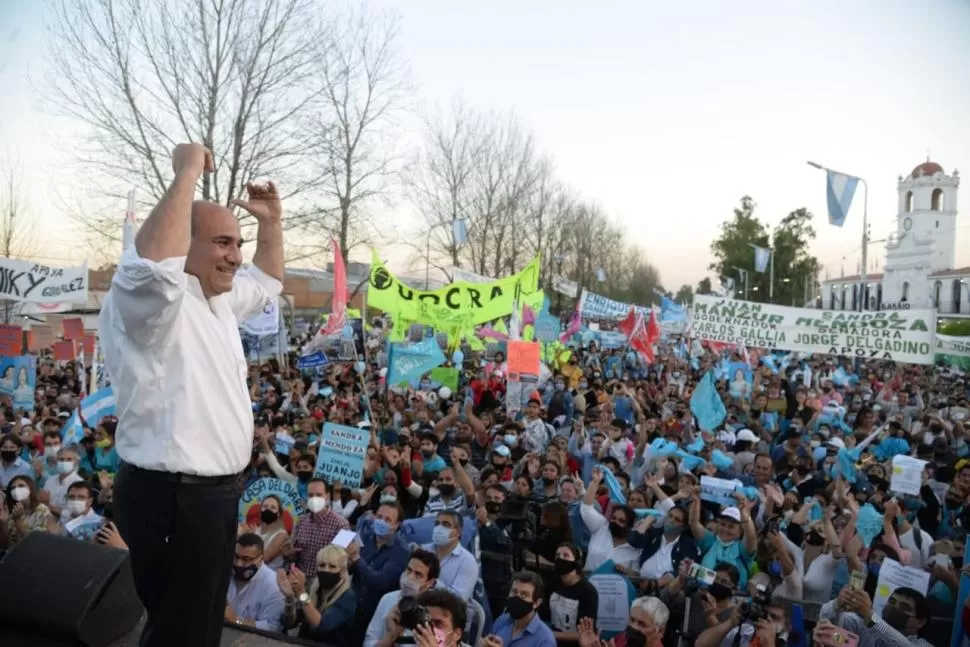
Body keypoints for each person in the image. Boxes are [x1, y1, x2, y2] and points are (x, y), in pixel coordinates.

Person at [100, 143, 284, 647]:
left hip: (212, 496)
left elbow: (267, 280)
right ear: (186, 243)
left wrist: (270, 225)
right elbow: (150, 266)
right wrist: (187, 171)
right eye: (223, 242)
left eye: (238, 243)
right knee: (179, 632)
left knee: (198, 626)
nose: (235, 255)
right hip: (173, 496)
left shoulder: (216, 298)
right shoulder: (154, 304)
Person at [278, 544, 357, 646]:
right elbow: (288, 623)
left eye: (332, 566)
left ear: (342, 571)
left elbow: (321, 625)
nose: (326, 570)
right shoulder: (313, 589)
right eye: (322, 565)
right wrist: (289, 599)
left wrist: (301, 593)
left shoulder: (348, 598)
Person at [364, 549, 440, 647]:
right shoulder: (388, 599)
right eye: (409, 570)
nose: (410, 577)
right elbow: (368, 642)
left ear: (430, 582)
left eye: (418, 574)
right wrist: (390, 636)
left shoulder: (434, 612)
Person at [225, 533, 285, 631]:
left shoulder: (273, 584)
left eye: (246, 559)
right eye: (236, 557)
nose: (239, 564)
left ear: (261, 559)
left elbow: (272, 627)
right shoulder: (226, 573)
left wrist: (237, 620)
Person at [543, 542, 599, 646]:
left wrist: (552, 634)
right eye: (557, 555)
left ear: (576, 562)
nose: (560, 559)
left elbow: (586, 633)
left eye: (566, 555)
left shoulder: (588, 591)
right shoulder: (553, 582)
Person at [492, 570, 557, 647]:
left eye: (524, 595)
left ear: (536, 603)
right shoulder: (501, 621)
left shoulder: (545, 640)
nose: (517, 597)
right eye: (514, 592)